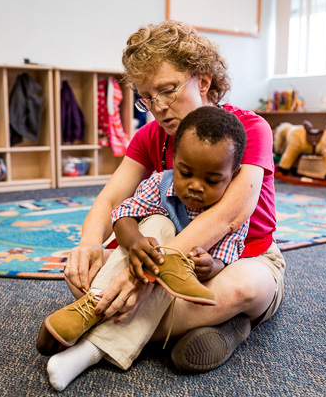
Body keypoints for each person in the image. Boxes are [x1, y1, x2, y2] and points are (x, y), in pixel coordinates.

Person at [61, 19, 285, 377]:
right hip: (169, 266)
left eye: (168, 90)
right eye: (147, 97)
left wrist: (147, 273)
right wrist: (88, 244)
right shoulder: (151, 135)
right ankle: (208, 325)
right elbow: (109, 201)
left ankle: (104, 323)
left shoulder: (248, 129)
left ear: (204, 80)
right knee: (87, 272)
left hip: (239, 259)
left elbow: (230, 214)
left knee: (246, 289)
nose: (159, 107)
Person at [41, 106, 249, 390]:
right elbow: (122, 214)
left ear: (234, 174)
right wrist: (135, 242)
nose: (196, 187)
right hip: (141, 265)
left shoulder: (232, 209)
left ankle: (89, 350)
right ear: (173, 160)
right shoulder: (158, 184)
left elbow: (225, 259)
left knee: (168, 273)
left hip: (173, 290)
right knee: (157, 225)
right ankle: (92, 307)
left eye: (212, 180)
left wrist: (209, 265)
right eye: (185, 173)